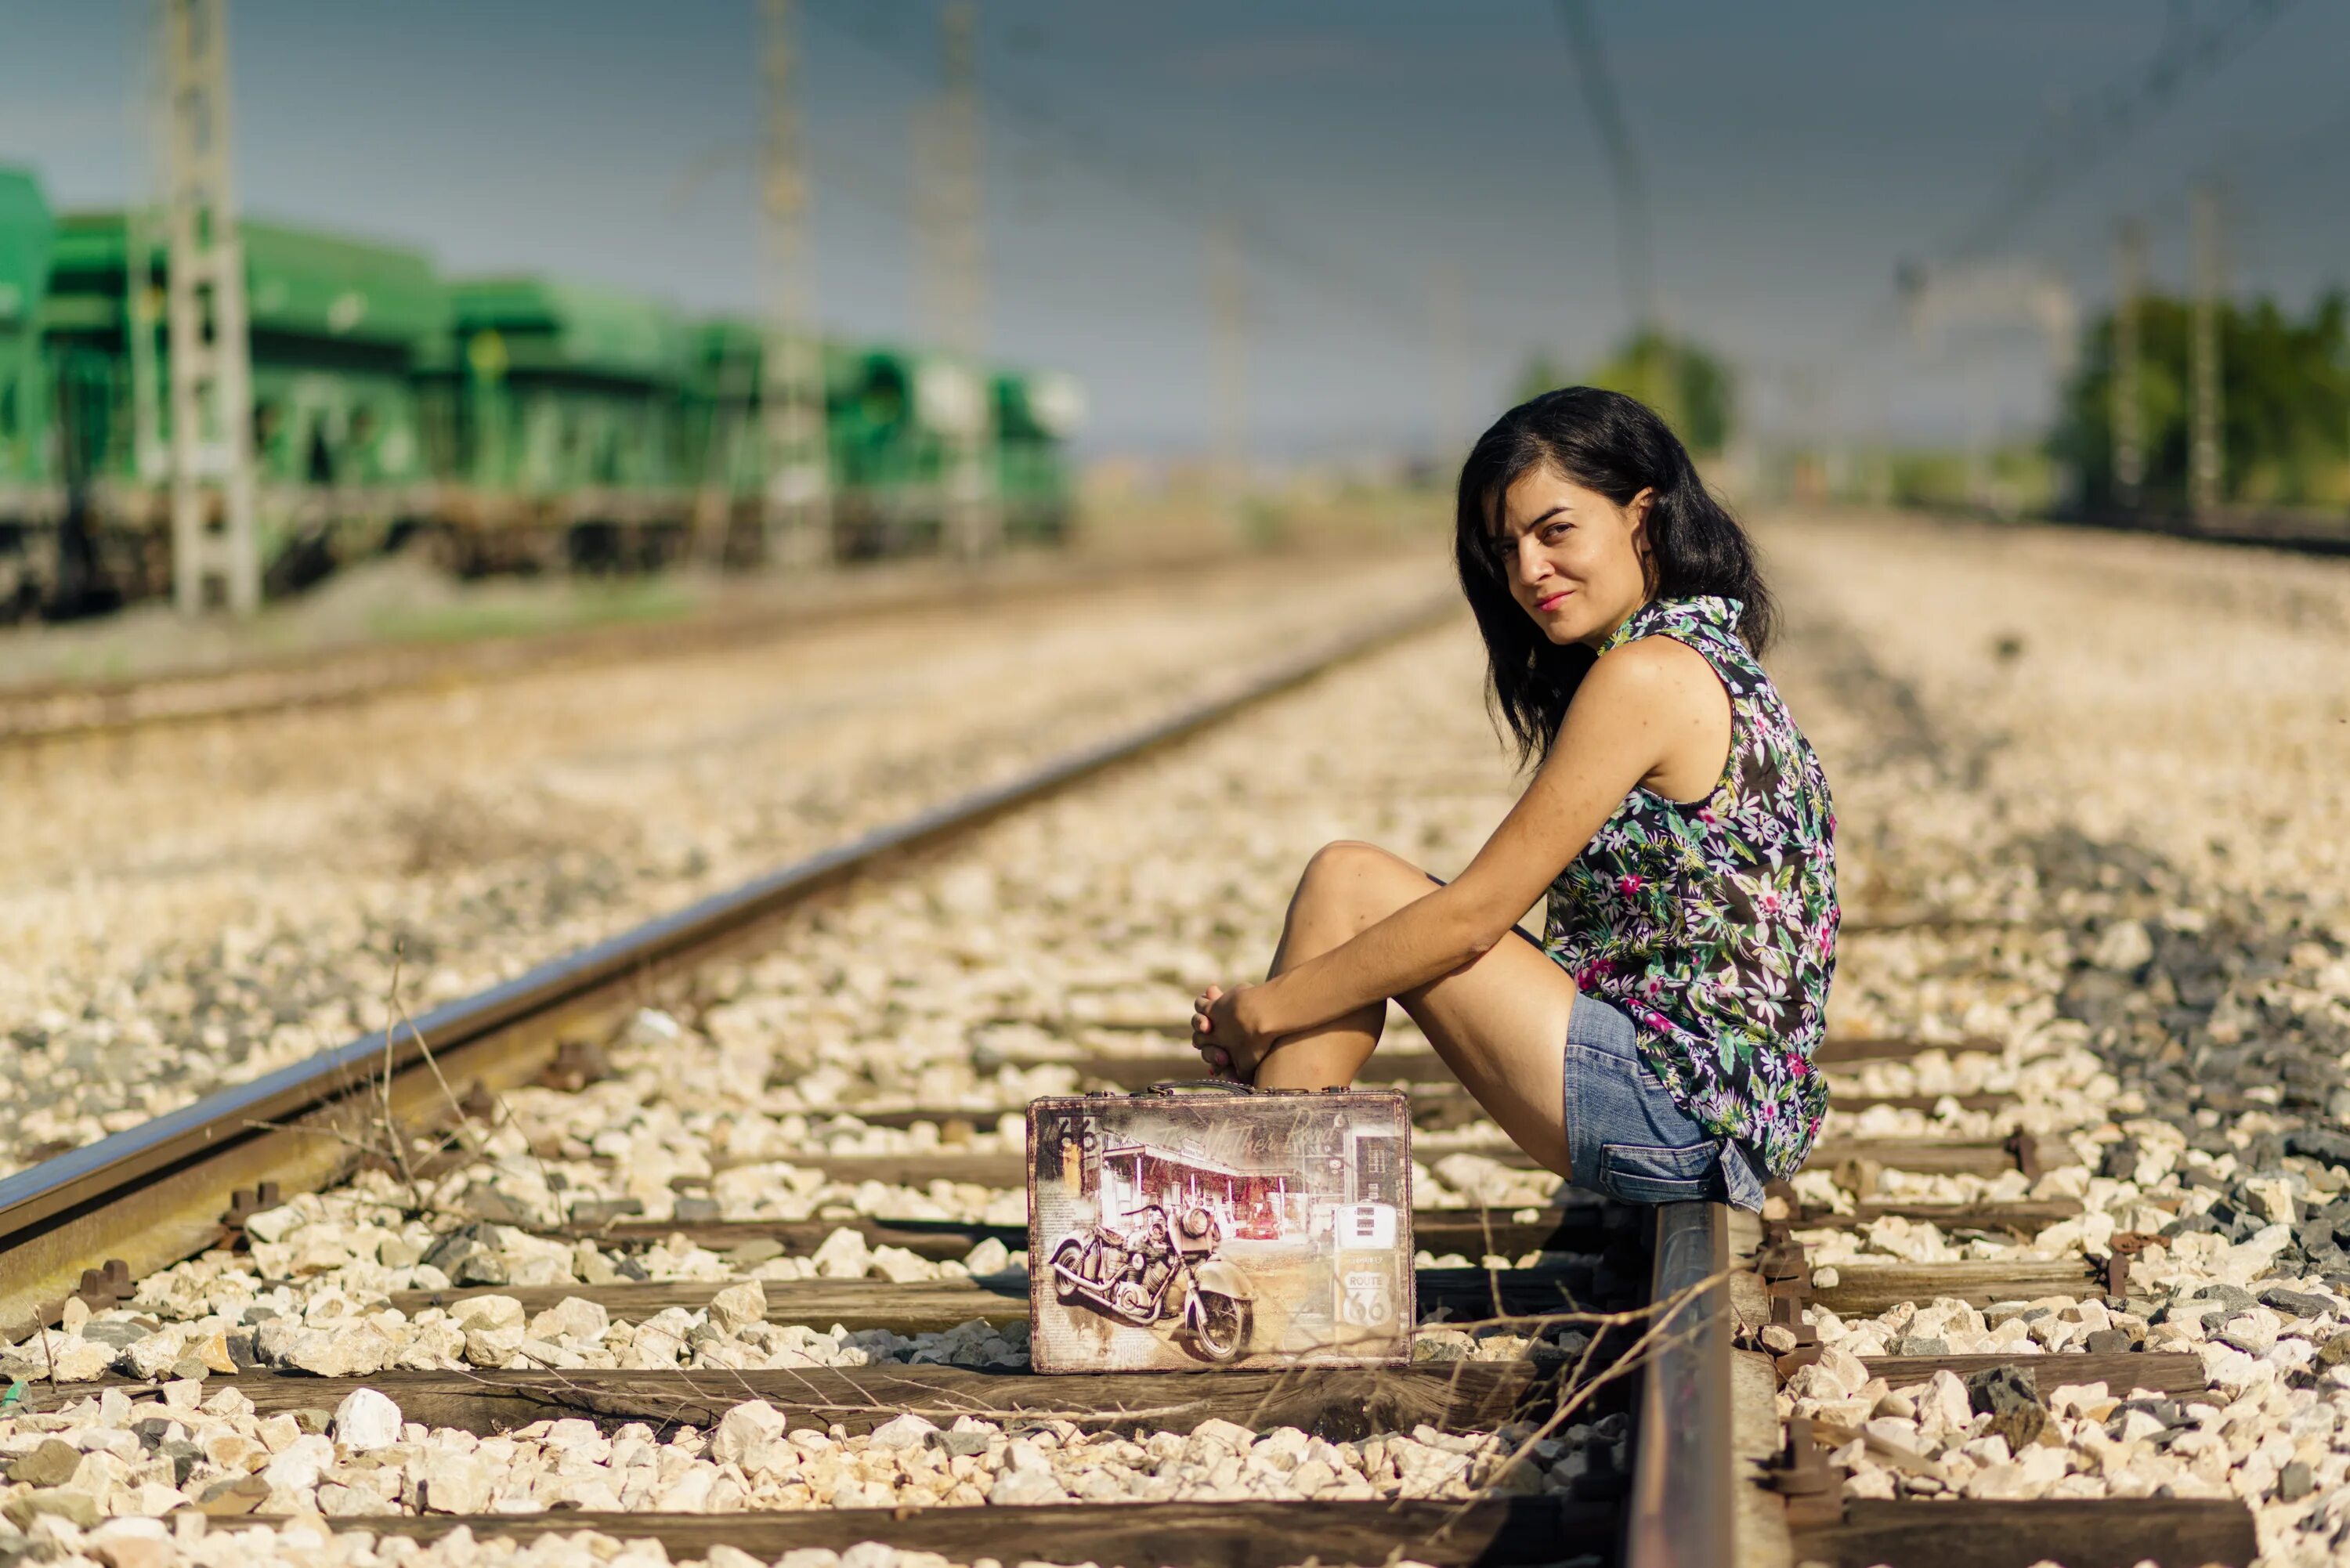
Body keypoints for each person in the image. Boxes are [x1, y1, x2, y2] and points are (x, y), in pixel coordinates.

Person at [1188, 388, 1838, 1210]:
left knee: (1347, 883)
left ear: (1644, 515)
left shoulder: (1646, 673)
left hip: (1677, 1109)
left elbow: (1472, 917)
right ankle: (1266, 1219)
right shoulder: (1705, 648)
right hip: (1723, 1110)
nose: (1529, 571)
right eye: (1508, 547)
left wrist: (1262, 1011)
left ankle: (1260, 1239)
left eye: (1556, 530)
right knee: (1357, 898)